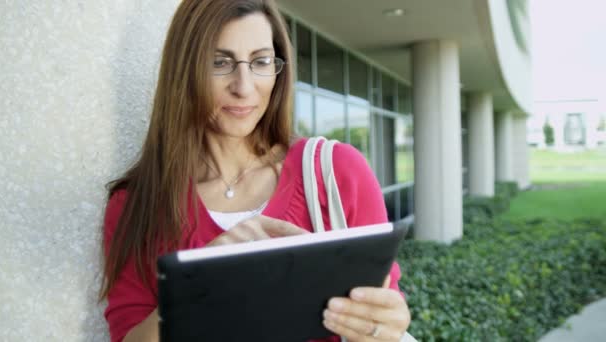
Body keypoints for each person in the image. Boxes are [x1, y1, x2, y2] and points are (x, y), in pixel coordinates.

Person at [99, 0, 411, 341]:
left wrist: (387, 323)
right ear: (184, 70)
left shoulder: (339, 171)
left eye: (261, 61)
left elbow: (385, 309)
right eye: (220, 62)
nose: (244, 86)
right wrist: (200, 283)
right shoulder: (135, 204)